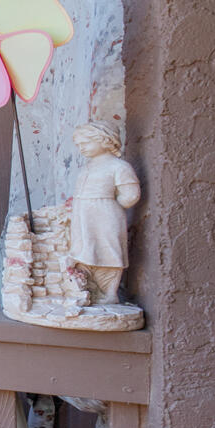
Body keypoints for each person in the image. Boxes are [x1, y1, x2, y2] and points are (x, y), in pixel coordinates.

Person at [68, 121, 140, 306]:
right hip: (83, 216)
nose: (82, 148)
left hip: (105, 215)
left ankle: (109, 293)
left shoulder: (118, 166)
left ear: (105, 140)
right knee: (84, 249)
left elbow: (130, 195)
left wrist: (110, 205)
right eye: (79, 145)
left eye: (86, 143)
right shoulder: (87, 167)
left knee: (108, 250)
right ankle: (88, 289)